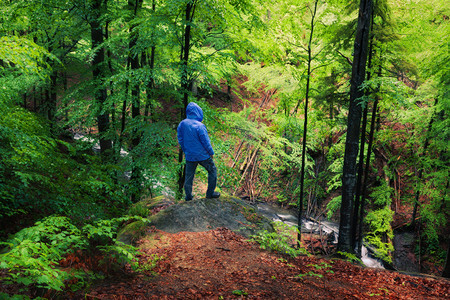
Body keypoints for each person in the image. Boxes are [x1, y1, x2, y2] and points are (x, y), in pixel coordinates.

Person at [177, 102, 220, 201]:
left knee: (189, 176)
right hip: (203, 155)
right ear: (198, 112)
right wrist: (211, 152)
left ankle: (188, 196)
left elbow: (180, 139)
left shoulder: (182, 124)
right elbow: (205, 141)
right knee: (212, 170)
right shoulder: (200, 126)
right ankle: (210, 193)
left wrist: (185, 150)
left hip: (190, 155)